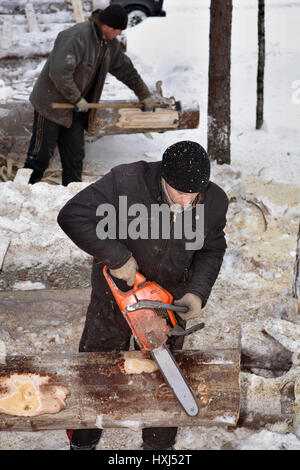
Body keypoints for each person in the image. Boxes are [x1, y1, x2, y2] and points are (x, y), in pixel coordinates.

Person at [57, 140, 228, 450]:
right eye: (180, 193)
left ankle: (157, 449)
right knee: (96, 372)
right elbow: (72, 216)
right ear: (163, 178)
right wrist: (117, 257)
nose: (188, 202)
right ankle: (83, 442)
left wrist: (197, 293)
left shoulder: (213, 202)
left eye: (195, 195)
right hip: (115, 299)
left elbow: (212, 248)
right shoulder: (125, 183)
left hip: (168, 304)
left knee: (164, 384)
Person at [24, 5, 155, 186]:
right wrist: (76, 98)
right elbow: (59, 73)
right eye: (117, 30)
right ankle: (23, 192)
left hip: (76, 108)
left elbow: (126, 71)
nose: (118, 34)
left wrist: (144, 95)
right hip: (51, 105)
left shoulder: (109, 44)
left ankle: (71, 196)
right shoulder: (77, 37)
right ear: (106, 25)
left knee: (75, 158)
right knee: (40, 156)